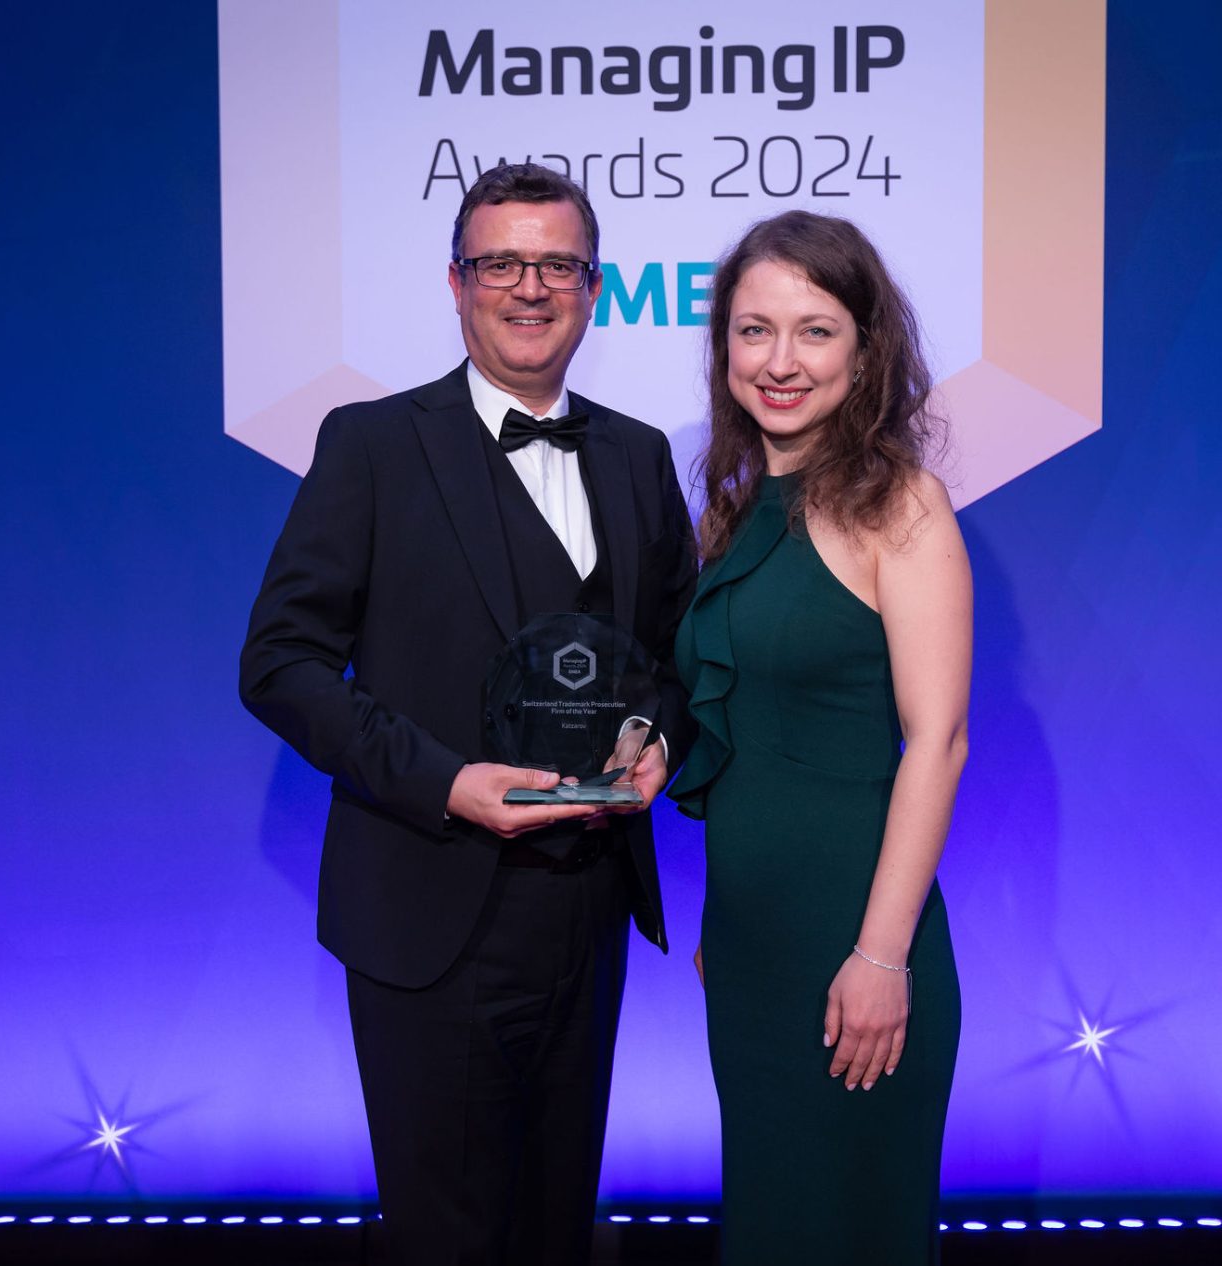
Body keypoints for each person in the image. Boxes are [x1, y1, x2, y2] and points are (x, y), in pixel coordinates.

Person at [239, 163, 698, 1266]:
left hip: (586, 916)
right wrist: (445, 780)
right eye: (501, 263)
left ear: (595, 287)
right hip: (426, 912)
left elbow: (676, 658)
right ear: (455, 283)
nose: (528, 288)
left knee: (554, 1233)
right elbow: (281, 663)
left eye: (556, 265)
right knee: (447, 1242)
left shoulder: (638, 456)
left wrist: (660, 737)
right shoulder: (372, 444)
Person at [668, 210, 971, 1264]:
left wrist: (881, 957)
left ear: (866, 347)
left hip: (856, 952)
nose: (779, 361)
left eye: (814, 330)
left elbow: (937, 744)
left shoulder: (903, 507)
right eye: (754, 331)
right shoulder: (736, 507)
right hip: (749, 953)